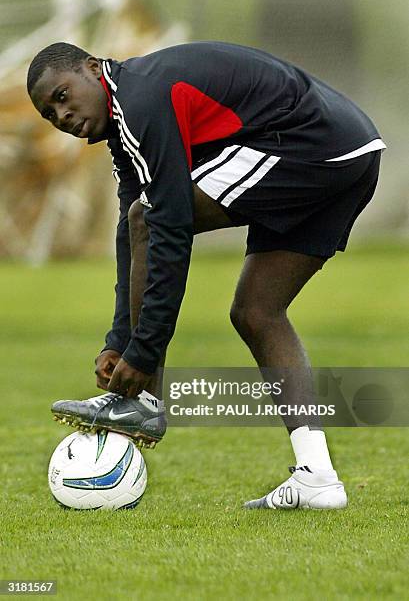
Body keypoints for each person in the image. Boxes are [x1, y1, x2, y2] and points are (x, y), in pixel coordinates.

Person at [27, 41, 385, 509]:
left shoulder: (139, 100)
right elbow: (129, 233)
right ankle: (317, 477)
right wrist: (119, 341)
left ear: (94, 69)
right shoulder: (125, 121)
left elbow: (167, 230)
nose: (63, 115)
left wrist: (144, 353)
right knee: (257, 311)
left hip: (313, 144)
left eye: (62, 95)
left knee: (151, 220)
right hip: (350, 151)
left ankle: (143, 402)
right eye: (50, 115)